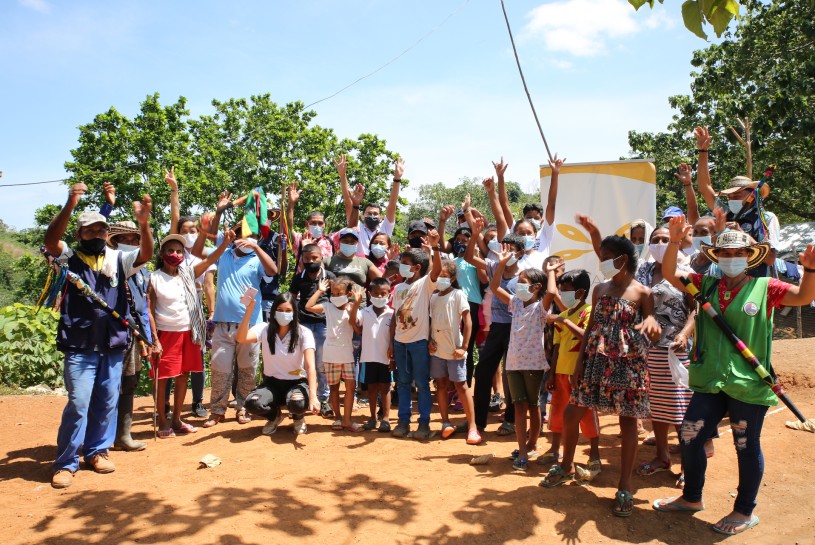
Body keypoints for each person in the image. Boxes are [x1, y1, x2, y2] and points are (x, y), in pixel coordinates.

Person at [653, 215, 815, 536]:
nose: (730, 259)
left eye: (736, 254)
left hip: (749, 383)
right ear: (717, 257)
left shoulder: (766, 287)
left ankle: (744, 511)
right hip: (710, 379)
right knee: (690, 435)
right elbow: (671, 273)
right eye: (724, 254)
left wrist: (809, 269)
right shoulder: (705, 284)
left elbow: (803, 298)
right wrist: (673, 242)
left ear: (749, 257)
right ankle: (691, 498)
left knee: (745, 443)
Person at [541, 235, 661, 520]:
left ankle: (625, 486)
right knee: (572, 412)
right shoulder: (600, 289)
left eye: (606, 257)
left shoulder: (643, 293)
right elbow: (593, 327)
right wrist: (580, 361)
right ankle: (566, 465)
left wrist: (652, 324)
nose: (603, 262)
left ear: (623, 259)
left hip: (628, 366)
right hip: (595, 362)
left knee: (628, 423)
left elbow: (650, 328)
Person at [45, 183, 153, 489]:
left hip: (113, 343)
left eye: (101, 231)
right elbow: (51, 239)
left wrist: (144, 225)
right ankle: (66, 462)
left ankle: (97, 451)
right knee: (79, 402)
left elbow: (146, 253)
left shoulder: (118, 259)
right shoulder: (68, 257)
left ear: (108, 234)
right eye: (89, 231)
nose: (96, 236)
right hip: (79, 343)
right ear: (79, 234)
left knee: (106, 401)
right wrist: (70, 203)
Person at [193, 197, 279, 428]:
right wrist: (217, 234)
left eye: (250, 235)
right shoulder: (225, 253)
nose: (245, 238)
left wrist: (258, 248)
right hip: (222, 324)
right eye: (241, 234)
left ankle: (244, 408)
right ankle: (217, 411)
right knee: (220, 369)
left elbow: (274, 270)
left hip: (250, 325)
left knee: (247, 369)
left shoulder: (258, 259)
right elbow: (197, 250)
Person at [148, 233, 232, 437]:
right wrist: (154, 340)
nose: (175, 254)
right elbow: (149, 311)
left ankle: (177, 419)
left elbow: (210, 260)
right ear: (162, 253)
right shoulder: (154, 278)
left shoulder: (188, 273)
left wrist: (225, 244)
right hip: (165, 333)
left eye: (179, 251)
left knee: (183, 376)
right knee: (162, 379)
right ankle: (163, 422)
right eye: (170, 250)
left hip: (189, 332)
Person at [633, 227, 697, 478]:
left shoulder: (685, 273)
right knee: (656, 406)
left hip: (676, 349)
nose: (660, 243)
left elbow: (696, 308)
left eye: (664, 239)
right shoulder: (643, 272)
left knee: (681, 408)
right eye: (655, 240)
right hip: (646, 349)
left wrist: (684, 335)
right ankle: (662, 456)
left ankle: (688, 466)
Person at [490, 249, 549, 471]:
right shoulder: (515, 303)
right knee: (519, 407)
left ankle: (532, 444)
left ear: (537, 288)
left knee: (533, 407)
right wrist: (501, 264)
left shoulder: (541, 307)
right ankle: (523, 450)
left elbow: (551, 291)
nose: (519, 286)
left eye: (524, 282)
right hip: (513, 363)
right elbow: (495, 287)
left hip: (533, 364)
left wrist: (550, 272)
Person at [695, 126, 781, 278]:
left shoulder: (766, 218)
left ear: (752, 196)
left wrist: (742, 235)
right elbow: (705, 188)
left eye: (737, 195)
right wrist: (703, 152)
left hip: (758, 285)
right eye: (730, 196)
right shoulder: (725, 213)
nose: (732, 199)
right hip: (725, 285)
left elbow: (770, 259)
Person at [465, 217, 523, 436]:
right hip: (497, 327)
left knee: (512, 375)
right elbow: (470, 257)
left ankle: (510, 420)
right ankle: (478, 423)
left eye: (511, 249)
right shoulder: (492, 265)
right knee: (483, 371)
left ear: (520, 253)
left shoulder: (525, 275)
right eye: (503, 248)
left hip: (517, 330)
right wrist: (474, 234)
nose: (505, 253)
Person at [541, 268, 600, 478]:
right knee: (557, 412)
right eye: (561, 289)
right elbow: (557, 346)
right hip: (560, 373)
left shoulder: (589, 312)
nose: (562, 293)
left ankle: (594, 454)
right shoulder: (563, 315)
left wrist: (565, 322)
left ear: (580, 292)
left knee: (585, 414)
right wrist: (551, 372)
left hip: (580, 374)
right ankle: (555, 450)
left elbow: (587, 336)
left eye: (566, 290)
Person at [238, 292, 320, 435]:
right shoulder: (264, 328)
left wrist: (313, 397)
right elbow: (241, 338)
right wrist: (249, 310)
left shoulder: (304, 333)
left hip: (297, 382)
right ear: (274, 310)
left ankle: (298, 417)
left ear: (294, 312)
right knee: (252, 403)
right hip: (272, 384)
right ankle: (275, 416)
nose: (284, 314)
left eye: (288, 311)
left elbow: (310, 366)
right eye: (280, 310)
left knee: (298, 403)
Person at [388, 232, 442, 439]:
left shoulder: (425, 284)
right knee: (402, 383)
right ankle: (403, 422)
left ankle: (424, 424)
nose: (401, 266)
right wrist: (392, 342)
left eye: (405, 263)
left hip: (419, 342)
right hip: (400, 342)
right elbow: (394, 316)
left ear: (417, 268)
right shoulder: (399, 288)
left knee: (421, 384)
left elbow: (436, 270)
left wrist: (435, 249)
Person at [106, 221, 153, 452]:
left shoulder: (144, 272)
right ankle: (100, 437)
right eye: (126, 239)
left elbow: (145, 307)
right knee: (108, 384)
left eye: (135, 240)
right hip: (111, 332)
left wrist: (150, 337)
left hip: (134, 332)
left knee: (129, 381)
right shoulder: (108, 265)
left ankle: (123, 435)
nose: (131, 243)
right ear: (115, 242)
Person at [429, 259, 479, 444]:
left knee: (461, 385)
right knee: (441, 384)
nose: (441, 279)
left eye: (444, 276)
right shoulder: (433, 296)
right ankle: (445, 422)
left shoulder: (458, 295)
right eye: (438, 276)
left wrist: (464, 347)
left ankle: (472, 426)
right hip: (437, 350)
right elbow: (430, 322)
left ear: (452, 277)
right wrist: (429, 342)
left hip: (454, 350)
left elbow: (468, 322)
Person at [305, 277, 363, 431]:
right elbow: (308, 306)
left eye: (340, 293)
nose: (336, 296)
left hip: (347, 355)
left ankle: (347, 419)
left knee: (351, 387)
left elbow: (357, 328)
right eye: (333, 293)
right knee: (334, 388)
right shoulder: (327, 307)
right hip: (330, 355)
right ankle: (338, 418)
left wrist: (356, 305)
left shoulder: (352, 308)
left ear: (349, 294)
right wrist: (320, 291)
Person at [289, 243, 336, 417]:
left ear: (321, 257)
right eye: (307, 258)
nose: (310, 261)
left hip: (323, 325)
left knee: (321, 364)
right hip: (303, 325)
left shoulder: (329, 276)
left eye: (314, 258)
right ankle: (302, 398)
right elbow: (292, 300)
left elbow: (335, 299)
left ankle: (323, 400)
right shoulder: (298, 278)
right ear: (301, 259)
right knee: (301, 364)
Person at [336, 154, 404, 256]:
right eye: (369, 213)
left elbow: (392, 205)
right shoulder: (357, 226)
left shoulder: (385, 228)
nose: (372, 216)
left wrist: (397, 178)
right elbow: (348, 203)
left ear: (381, 217)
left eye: (375, 214)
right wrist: (342, 176)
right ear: (362, 217)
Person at [352, 277, 394, 432]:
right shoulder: (364, 312)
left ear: (389, 295)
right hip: (368, 357)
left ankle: (386, 419)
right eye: (376, 293)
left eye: (383, 293)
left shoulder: (392, 314)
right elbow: (354, 324)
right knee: (371, 389)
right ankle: (372, 418)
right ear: (369, 294)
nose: (380, 297)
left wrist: (392, 352)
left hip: (385, 358)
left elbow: (393, 335)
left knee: (386, 388)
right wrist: (356, 303)